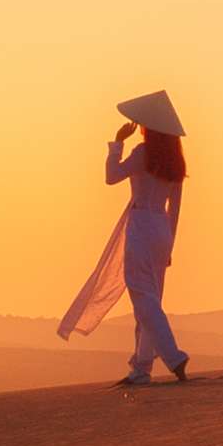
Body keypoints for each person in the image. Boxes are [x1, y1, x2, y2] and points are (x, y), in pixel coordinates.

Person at [65, 90, 192, 384]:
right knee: (151, 298)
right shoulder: (175, 161)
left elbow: (112, 176)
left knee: (143, 297)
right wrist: (170, 242)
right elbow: (176, 209)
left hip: (142, 225)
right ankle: (142, 367)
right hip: (160, 228)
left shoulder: (142, 154)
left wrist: (117, 143)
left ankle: (173, 356)